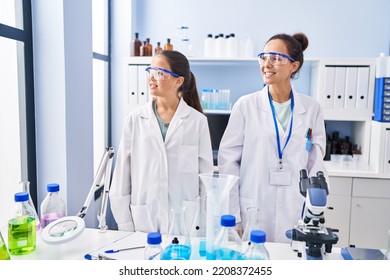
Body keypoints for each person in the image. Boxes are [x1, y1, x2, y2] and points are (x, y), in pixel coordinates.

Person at [218, 33, 327, 243]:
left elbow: (316, 163)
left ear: (293, 66)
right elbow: (228, 163)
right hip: (253, 205)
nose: (267, 64)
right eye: (264, 57)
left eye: (276, 58)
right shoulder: (245, 105)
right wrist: (234, 216)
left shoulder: (312, 108)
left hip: (295, 207)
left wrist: (314, 212)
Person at [110, 50, 214, 233]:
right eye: (150, 71)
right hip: (142, 221)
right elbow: (121, 177)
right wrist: (125, 225)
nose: (151, 78)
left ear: (178, 81)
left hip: (187, 223)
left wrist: (204, 224)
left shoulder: (197, 122)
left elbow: (206, 178)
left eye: (159, 73)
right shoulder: (135, 120)